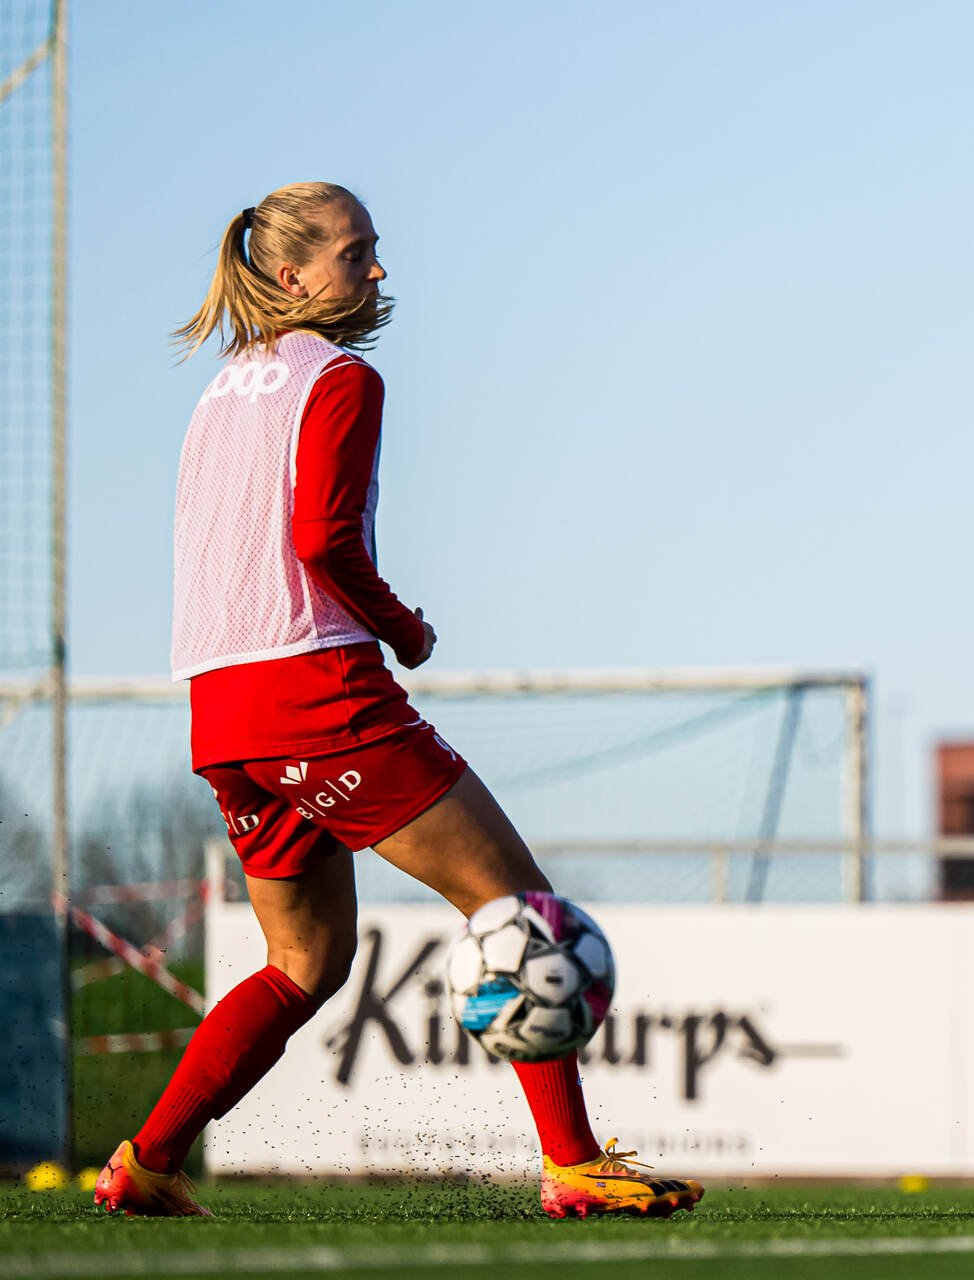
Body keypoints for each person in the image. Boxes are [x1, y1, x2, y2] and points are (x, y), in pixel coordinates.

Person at [94, 181, 703, 1220]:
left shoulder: (222, 390)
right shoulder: (339, 379)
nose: (376, 270)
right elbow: (321, 541)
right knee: (520, 905)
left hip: (221, 707)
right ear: (292, 276)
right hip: (315, 689)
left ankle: (146, 1160)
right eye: (355, 252)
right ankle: (573, 1161)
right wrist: (403, 627)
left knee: (305, 959)